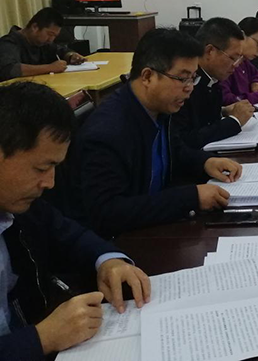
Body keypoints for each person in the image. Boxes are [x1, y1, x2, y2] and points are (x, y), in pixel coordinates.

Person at [0, 82, 151, 359]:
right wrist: (41, 338)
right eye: (41, 168)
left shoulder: (20, 204)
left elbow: (70, 234)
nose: (50, 182)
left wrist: (109, 261)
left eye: (55, 167)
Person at [66, 28, 239, 238]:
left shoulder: (159, 108)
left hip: (157, 225)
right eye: (182, 78)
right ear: (147, 76)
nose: (190, 88)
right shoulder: (107, 132)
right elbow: (108, 212)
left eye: (193, 78)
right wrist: (190, 198)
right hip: (124, 242)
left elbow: (174, 151)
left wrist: (205, 162)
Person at [173, 18, 254, 149]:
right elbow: (185, 139)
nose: (236, 65)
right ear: (210, 51)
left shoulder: (212, 79)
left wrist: (223, 111)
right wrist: (234, 121)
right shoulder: (184, 82)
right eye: (233, 58)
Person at [0, 8, 85, 81]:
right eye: (50, 34)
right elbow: (10, 69)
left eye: (54, 36)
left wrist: (71, 56)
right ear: (35, 27)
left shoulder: (43, 43)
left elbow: (60, 50)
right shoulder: (9, 42)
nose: (51, 39)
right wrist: (50, 68)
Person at [220, 17, 258, 106]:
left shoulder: (244, 62)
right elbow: (225, 100)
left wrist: (256, 82)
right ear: (243, 36)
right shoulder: (226, 63)